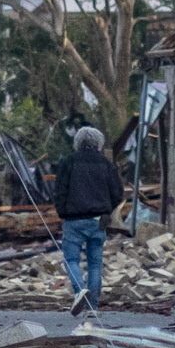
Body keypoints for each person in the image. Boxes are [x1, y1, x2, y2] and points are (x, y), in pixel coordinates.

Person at [53, 124, 124, 315]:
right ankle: (93, 306)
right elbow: (118, 193)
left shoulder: (68, 162)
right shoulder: (106, 164)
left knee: (71, 259)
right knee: (95, 264)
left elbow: (60, 190)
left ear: (77, 142)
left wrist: (63, 212)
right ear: (98, 143)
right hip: (98, 220)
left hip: (74, 220)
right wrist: (107, 211)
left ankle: (79, 290)